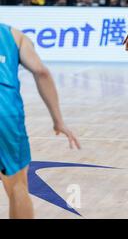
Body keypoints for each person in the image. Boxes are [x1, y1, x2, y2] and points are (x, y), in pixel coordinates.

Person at [0, 24, 81, 219]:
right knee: (17, 185)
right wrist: (58, 121)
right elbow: (41, 72)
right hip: (5, 113)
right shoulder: (13, 35)